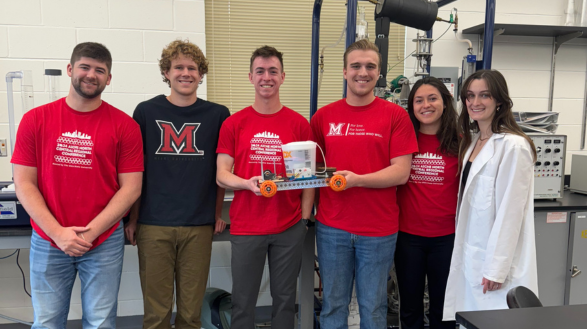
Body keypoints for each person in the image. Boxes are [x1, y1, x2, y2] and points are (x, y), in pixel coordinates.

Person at [11, 42, 144, 328]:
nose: (91, 74)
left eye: (100, 70)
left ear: (108, 78)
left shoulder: (125, 126)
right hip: (49, 239)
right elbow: (23, 183)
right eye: (84, 67)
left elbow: (131, 188)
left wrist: (90, 234)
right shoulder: (35, 120)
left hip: (103, 241)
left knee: (100, 322)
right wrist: (58, 233)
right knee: (47, 321)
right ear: (70, 69)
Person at [310, 39, 418, 329]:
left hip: (378, 230)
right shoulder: (323, 117)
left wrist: (357, 181)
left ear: (379, 73)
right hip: (332, 228)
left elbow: (401, 173)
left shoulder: (396, 116)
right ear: (344, 72)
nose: (363, 72)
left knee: (373, 308)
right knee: (333, 307)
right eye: (355, 66)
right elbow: (312, 170)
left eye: (370, 66)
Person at [124, 40, 229, 329]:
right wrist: (133, 218)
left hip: (198, 225)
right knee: (156, 315)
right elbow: (136, 171)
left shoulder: (218, 115)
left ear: (201, 73)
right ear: (167, 73)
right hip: (153, 224)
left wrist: (216, 214)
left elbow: (221, 172)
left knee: (190, 314)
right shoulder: (145, 112)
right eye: (178, 67)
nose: (186, 73)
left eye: (192, 68)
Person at [216, 46, 314, 329]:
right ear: (250, 77)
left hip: (289, 226)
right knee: (243, 300)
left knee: (284, 299)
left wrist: (304, 219)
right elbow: (222, 175)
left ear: (283, 77)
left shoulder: (298, 124)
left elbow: (306, 179)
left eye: (273, 71)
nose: (266, 77)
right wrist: (247, 183)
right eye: (260, 71)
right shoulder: (234, 123)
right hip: (247, 226)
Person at [443, 69, 538, 321]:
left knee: (496, 321)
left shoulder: (513, 146)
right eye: (470, 96)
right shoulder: (475, 142)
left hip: (495, 268)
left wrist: (496, 269)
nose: (475, 102)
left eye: (484, 95)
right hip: (473, 257)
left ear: (499, 101)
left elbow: (511, 212)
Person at [395, 77, 459, 329]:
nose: (426, 105)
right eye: (418, 100)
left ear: (445, 102)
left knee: (443, 309)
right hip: (408, 237)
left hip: (447, 238)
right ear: (411, 107)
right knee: (410, 308)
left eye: (432, 98)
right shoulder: (402, 142)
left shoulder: (462, 143)